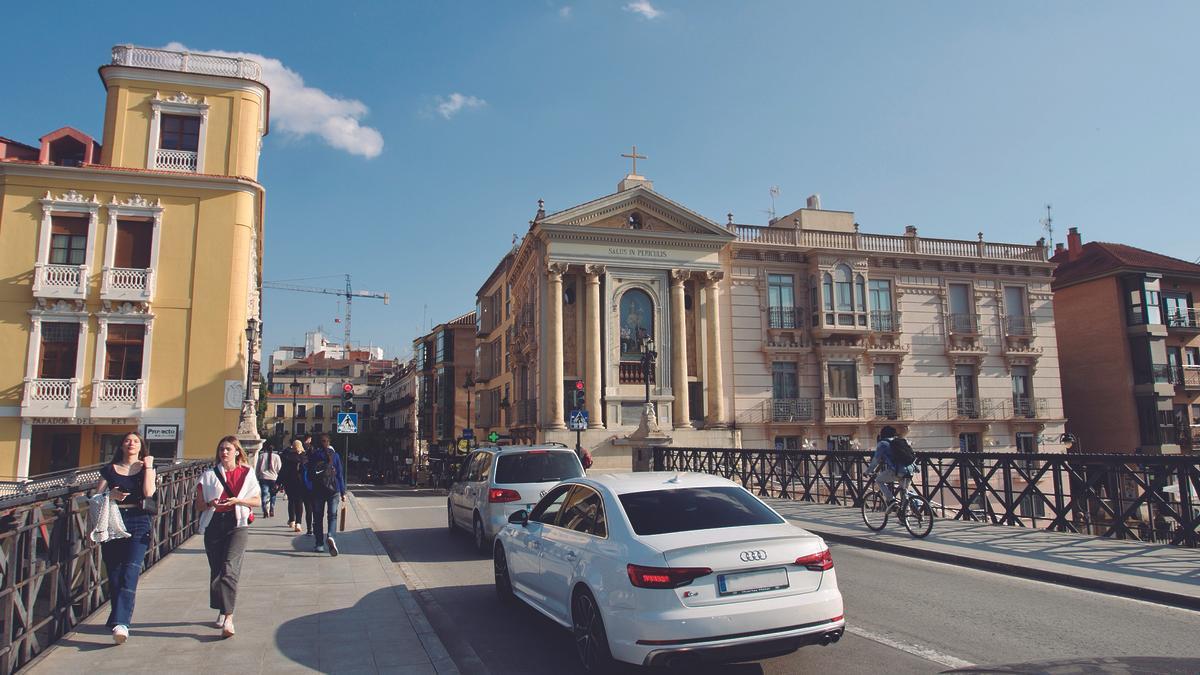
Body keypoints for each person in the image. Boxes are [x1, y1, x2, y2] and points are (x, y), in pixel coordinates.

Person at [195, 436, 261, 638]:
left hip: (237, 524)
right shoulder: (208, 476)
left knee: (229, 569)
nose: (224, 453)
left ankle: (229, 617)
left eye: (228, 449)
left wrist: (239, 501)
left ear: (237, 452)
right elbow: (199, 505)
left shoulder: (247, 473)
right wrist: (211, 504)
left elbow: (257, 501)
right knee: (216, 571)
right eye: (221, 449)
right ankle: (221, 608)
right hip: (215, 524)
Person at [95, 432, 156, 644]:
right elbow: (94, 497)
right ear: (121, 446)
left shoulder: (146, 469)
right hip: (113, 521)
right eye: (128, 441)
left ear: (141, 447)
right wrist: (109, 496)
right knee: (114, 573)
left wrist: (148, 466)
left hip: (139, 521)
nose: (131, 444)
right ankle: (116, 616)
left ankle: (122, 623)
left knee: (130, 570)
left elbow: (149, 492)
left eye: (136, 441)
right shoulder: (109, 470)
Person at [303, 433, 345, 556]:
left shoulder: (315, 455)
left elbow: (309, 473)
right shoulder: (335, 456)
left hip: (318, 490)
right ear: (329, 443)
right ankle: (331, 536)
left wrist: (310, 487)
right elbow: (340, 475)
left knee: (317, 517)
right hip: (334, 489)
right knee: (332, 516)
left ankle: (319, 544)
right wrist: (343, 492)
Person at [867, 426, 916, 506]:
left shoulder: (882, 443)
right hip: (910, 469)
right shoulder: (901, 441)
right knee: (904, 491)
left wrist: (867, 471)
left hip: (898, 471)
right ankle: (908, 513)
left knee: (879, 480)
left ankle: (891, 500)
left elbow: (876, 460)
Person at [280, 438, 310, 533]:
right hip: (301, 483)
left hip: (289, 482)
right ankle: (298, 523)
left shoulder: (288, 457)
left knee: (291, 501)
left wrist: (278, 482)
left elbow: (283, 470)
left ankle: (292, 520)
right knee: (299, 502)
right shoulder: (305, 457)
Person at [255, 442, 282, 518]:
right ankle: (272, 509)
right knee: (273, 494)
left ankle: (265, 510)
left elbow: (257, 468)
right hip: (274, 478)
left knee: (264, 494)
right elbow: (279, 468)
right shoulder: (277, 457)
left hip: (263, 478)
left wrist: (257, 476)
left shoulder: (261, 456)